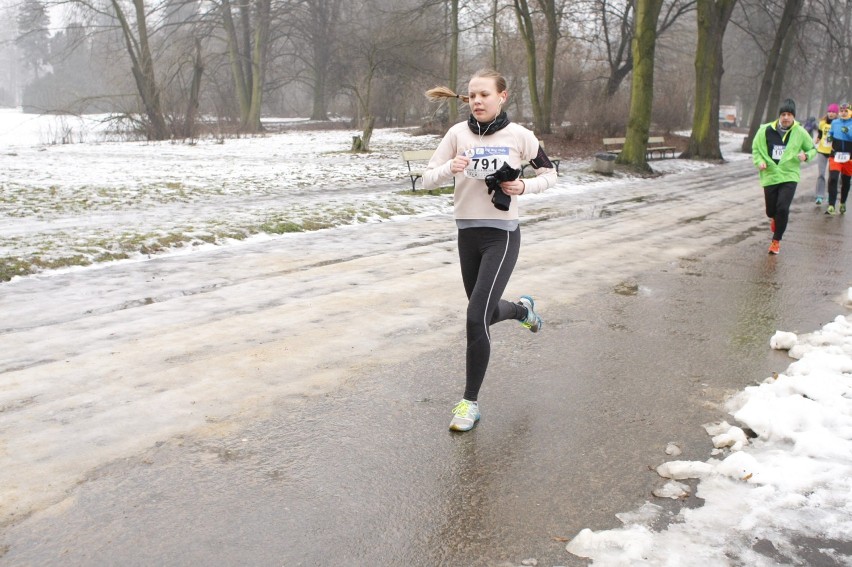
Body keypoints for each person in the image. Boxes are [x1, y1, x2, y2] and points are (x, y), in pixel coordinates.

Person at [422, 69, 557, 431]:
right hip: (467, 234)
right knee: (482, 312)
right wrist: (450, 168)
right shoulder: (457, 134)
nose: (477, 101)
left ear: (502, 97)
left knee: (474, 317)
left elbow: (551, 172)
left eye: (484, 94)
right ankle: (522, 310)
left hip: (502, 235)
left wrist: (526, 187)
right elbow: (426, 177)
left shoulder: (519, 136)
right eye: (472, 96)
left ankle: (469, 403)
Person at [751, 98, 816, 255]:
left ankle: (776, 241)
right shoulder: (765, 130)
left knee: (782, 208)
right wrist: (759, 162)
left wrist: (806, 156)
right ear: (779, 116)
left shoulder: (800, 132)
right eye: (783, 114)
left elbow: (812, 149)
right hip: (770, 174)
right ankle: (775, 218)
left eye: (789, 114)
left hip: (789, 175)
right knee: (770, 211)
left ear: (793, 116)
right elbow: (756, 149)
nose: (786, 117)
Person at [825, 102, 852, 215]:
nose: (843, 113)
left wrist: (848, 131)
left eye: (846, 111)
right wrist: (829, 137)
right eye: (841, 111)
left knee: (845, 182)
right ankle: (831, 205)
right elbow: (830, 134)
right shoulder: (835, 122)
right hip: (835, 155)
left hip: (848, 157)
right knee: (833, 178)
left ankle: (842, 203)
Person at [814, 103, 839, 205]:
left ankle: (830, 195)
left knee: (832, 176)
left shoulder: (838, 124)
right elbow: (820, 132)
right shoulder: (822, 123)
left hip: (833, 152)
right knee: (821, 174)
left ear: (837, 113)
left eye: (833, 112)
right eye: (829, 111)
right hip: (822, 151)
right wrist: (818, 138)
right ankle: (819, 196)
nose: (831, 113)